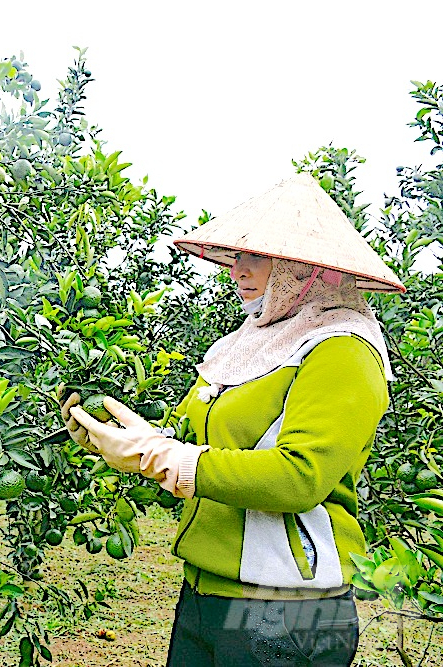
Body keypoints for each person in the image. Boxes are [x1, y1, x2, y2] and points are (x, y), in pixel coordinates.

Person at [61, 173, 404, 666]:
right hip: (207, 594)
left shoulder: (342, 350)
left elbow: (299, 477)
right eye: (237, 257)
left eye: (257, 257)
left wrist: (163, 458)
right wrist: (124, 440)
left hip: (289, 611)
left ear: (302, 268)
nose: (238, 271)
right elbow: (196, 446)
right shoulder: (248, 344)